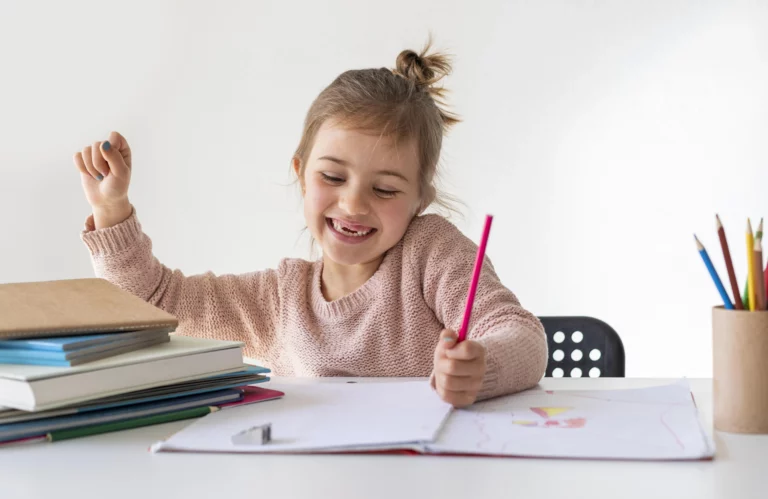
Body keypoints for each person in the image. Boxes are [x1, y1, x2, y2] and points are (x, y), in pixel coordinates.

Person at [74, 41, 547, 407]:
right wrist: (112, 207)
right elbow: (154, 302)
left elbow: (521, 333)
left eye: (385, 189)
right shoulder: (280, 299)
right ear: (301, 174)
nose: (354, 203)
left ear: (421, 198)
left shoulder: (431, 253)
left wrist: (481, 367)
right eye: (333, 177)